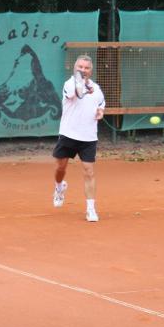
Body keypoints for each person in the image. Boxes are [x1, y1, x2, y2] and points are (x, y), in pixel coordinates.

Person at [52, 54, 105, 222]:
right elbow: (75, 93)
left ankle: (91, 209)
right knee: (60, 168)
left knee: (89, 171)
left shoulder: (96, 88)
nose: (83, 70)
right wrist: (82, 86)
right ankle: (59, 186)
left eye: (86, 68)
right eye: (80, 67)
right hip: (68, 134)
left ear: (91, 70)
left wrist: (100, 111)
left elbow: (101, 103)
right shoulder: (69, 84)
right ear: (75, 68)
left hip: (88, 137)